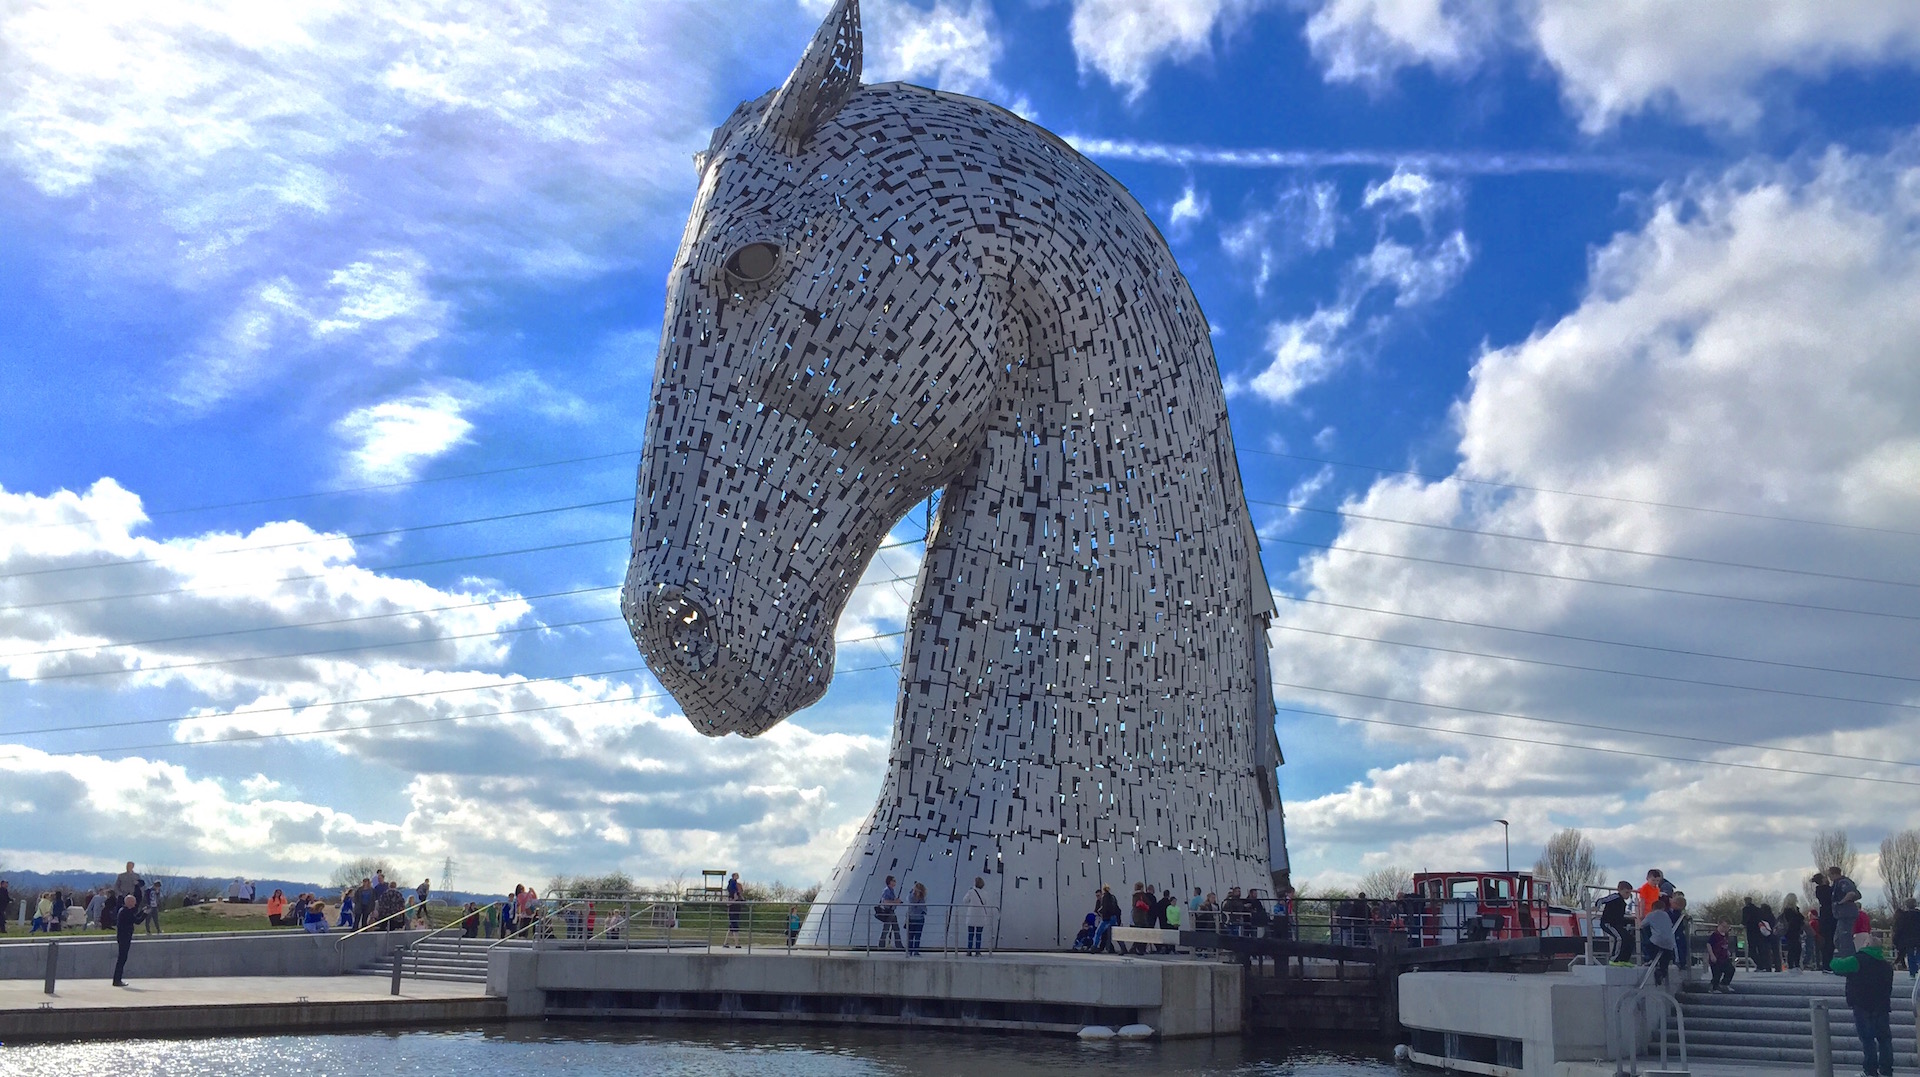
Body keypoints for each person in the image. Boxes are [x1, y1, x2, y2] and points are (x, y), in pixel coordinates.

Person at [1832, 929, 1895, 1077]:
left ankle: (1870, 1071)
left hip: (1862, 1005)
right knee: (1885, 1040)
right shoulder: (1886, 965)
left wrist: (1834, 955)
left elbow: (1836, 966)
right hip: (1882, 1006)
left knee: (1868, 1040)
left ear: (1866, 944)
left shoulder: (1858, 960)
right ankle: (1886, 1071)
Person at [1643, 895, 1677, 985]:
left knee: (1647, 944)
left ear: (1652, 908)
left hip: (1657, 941)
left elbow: (1642, 925)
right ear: (1663, 908)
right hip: (1670, 943)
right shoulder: (1666, 915)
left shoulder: (1651, 915)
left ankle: (1649, 958)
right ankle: (1662, 973)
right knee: (1664, 963)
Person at [1597, 882, 1634, 964]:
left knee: (1630, 939)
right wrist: (1597, 907)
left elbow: (1620, 917)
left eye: (1629, 893)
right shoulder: (1615, 897)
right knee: (1619, 938)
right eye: (1626, 892)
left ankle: (1624, 960)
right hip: (1608, 923)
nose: (1628, 895)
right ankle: (1614, 959)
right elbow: (1602, 900)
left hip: (1617, 924)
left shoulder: (1623, 903)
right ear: (1619, 890)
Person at [111, 893, 139, 986]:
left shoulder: (124, 910)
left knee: (122, 958)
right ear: (129, 902)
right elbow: (137, 921)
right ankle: (117, 980)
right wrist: (146, 914)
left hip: (124, 937)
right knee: (122, 958)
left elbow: (135, 918)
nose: (135, 905)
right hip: (124, 937)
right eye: (133, 902)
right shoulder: (125, 912)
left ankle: (117, 979)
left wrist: (143, 912)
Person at [1833, 889, 1867, 961]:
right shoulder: (1865, 915)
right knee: (1864, 950)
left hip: (1858, 933)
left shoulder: (1856, 915)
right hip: (1866, 933)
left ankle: (1855, 961)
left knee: (1856, 949)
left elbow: (1855, 924)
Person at [1891, 897, 1920, 979]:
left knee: (1910, 955)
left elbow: (1900, 928)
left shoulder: (1904, 916)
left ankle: (1912, 973)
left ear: (1907, 905)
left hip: (1908, 939)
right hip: (1918, 938)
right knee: (1919, 954)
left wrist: (1896, 939)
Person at [1813, 872, 1836, 968]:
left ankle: (1825, 964)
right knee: (1830, 942)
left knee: (1826, 941)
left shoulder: (1818, 890)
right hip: (1829, 916)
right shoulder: (1827, 890)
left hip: (1823, 917)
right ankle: (1828, 964)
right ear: (1823, 880)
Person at [1779, 894, 1806, 971]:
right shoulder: (1793, 911)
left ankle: (1792, 965)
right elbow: (1799, 919)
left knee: (1792, 948)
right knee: (1796, 947)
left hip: (1788, 932)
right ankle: (1795, 965)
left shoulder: (1785, 911)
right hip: (1793, 931)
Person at [875, 875, 902, 951]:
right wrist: (895, 902)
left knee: (895, 928)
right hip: (888, 912)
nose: (895, 882)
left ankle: (898, 945)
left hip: (891, 912)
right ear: (890, 881)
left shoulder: (891, 890)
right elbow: (885, 902)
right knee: (887, 929)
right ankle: (882, 945)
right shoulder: (887, 890)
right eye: (894, 880)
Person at [961, 876, 988, 955]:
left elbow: (965, 900)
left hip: (972, 915)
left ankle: (969, 951)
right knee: (979, 935)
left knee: (970, 934)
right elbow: (985, 902)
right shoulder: (985, 893)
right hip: (981, 915)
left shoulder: (971, 891)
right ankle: (978, 951)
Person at [1707, 922, 1735, 993]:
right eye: (1723, 927)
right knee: (1717, 974)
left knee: (1730, 969)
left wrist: (1727, 951)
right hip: (1716, 957)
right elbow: (1709, 944)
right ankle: (1713, 987)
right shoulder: (1715, 935)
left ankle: (1724, 984)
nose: (1725, 929)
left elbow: (1725, 944)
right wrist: (1712, 955)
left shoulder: (1726, 935)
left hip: (1724, 957)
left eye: (1727, 927)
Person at [905, 882, 927, 956]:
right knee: (916, 935)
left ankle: (911, 951)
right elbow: (923, 908)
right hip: (918, 918)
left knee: (912, 935)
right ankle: (914, 951)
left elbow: (909, 900)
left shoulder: (912, 897)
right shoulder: (920, 897)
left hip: (913, 918)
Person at [725, 872, 745, 948]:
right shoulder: (732, 888)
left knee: (731, 927)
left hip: (736, 908)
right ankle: (737, 944)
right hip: (733, 910)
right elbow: (728, 903)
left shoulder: (736, 887)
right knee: (735, 926)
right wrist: (734, 899)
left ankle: (726, 943)